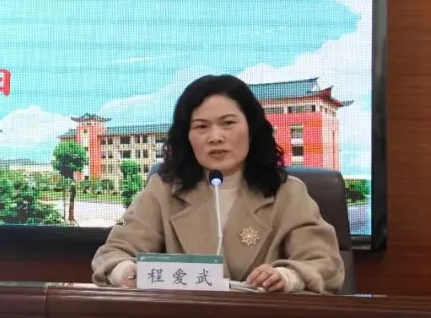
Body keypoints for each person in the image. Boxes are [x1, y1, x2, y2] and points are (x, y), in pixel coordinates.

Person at [92, 74, 345, 294]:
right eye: (201, 126)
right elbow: (113, 252)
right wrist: (125, 271)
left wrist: (288, 277)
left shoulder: (288, 192)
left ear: (251, 130)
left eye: (228, 123)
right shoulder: (163, 190)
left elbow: (324, 263)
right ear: (187, 137)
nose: (215, 137)